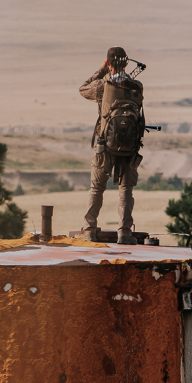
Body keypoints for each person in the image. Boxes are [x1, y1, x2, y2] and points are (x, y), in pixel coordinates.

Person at [78, 47, 145, 244]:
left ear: (108, 63)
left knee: (97, 188)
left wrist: (101, 71)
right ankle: (125, 233)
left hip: (104, 146)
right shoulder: (137, 86)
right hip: (129, 147)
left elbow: (83, 89)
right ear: (126, 63)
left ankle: (89, 230)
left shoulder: (102, 85)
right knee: (126, 189)